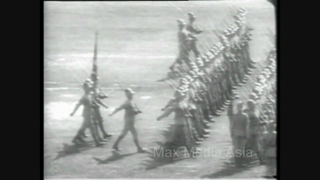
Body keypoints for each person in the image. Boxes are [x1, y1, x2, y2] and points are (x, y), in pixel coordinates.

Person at [157, 89, 196, 157]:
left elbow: (187, 110)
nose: (183, 95)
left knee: (175, 138)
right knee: (184, 138)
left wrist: (189, 113)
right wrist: (160, 117)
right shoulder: (177, 104)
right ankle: (191, 152)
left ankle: (166, 151)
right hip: (179, 123)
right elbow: (168, 112)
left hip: (183, 122)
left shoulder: (183, 102)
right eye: (181, 94)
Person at [109, 88, 146, 153]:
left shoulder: (131, 101)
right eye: (131, 94)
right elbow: (118, 108)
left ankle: (115, 145)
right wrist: (112, 113)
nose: (133, 95)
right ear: (129, 95)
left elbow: (134, 107)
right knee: (134, 133)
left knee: (124, 133)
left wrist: (138, 110)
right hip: (129, 120)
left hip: (130, 120)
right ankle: (139, 148)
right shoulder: (127, 102)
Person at [70, 81, 103, 147]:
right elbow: (78, 105)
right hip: (86, 114)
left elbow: (92, 103)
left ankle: (75, 139)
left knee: (83, 127)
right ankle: (97, 142)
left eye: (89, 87)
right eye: (88, 87)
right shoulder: (84, 97)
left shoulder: (89, 95)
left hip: (90, 113)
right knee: (92, 127)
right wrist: (73, 112)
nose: (89, 88)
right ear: (85, 88)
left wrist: (96, 105)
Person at [245, 100, 265, 164]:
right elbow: (254, 122)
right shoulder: (250, 113)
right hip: (252, 131)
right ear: (250, 105)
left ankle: (244, 160)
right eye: (253, 104)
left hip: (254, 130)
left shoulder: (251, 112)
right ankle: (261, 160)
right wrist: (262, 123)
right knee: (255, 145)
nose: (254, 105)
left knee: (250, 145)